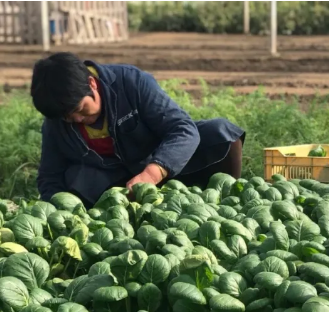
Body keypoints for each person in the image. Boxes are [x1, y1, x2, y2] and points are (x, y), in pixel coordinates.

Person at [30, 52, 245, 206]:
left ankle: (230, 200)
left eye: (80, 109)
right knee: (73, 178)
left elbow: (183, 129)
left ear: (92, 83)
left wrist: (152, 174)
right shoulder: (56, 118)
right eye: (68, 118)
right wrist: (56, 212)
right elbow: (50, 175)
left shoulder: (130, 82)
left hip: (160, 164)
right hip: (113, 185)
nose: (77, 119)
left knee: (221, 133)